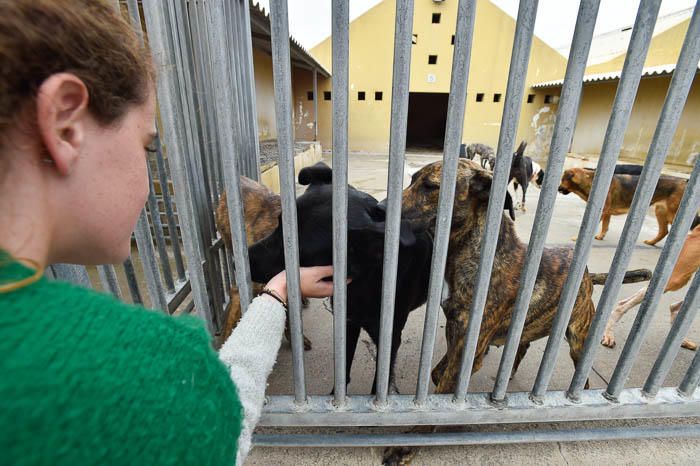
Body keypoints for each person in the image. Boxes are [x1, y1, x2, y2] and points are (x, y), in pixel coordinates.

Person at [0, 1, 334, 464]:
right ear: (65, 124)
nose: (148, 164)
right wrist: (275, 295)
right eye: (147, 144)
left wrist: (275, 289)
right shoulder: (147, 365)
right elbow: (227, 424)